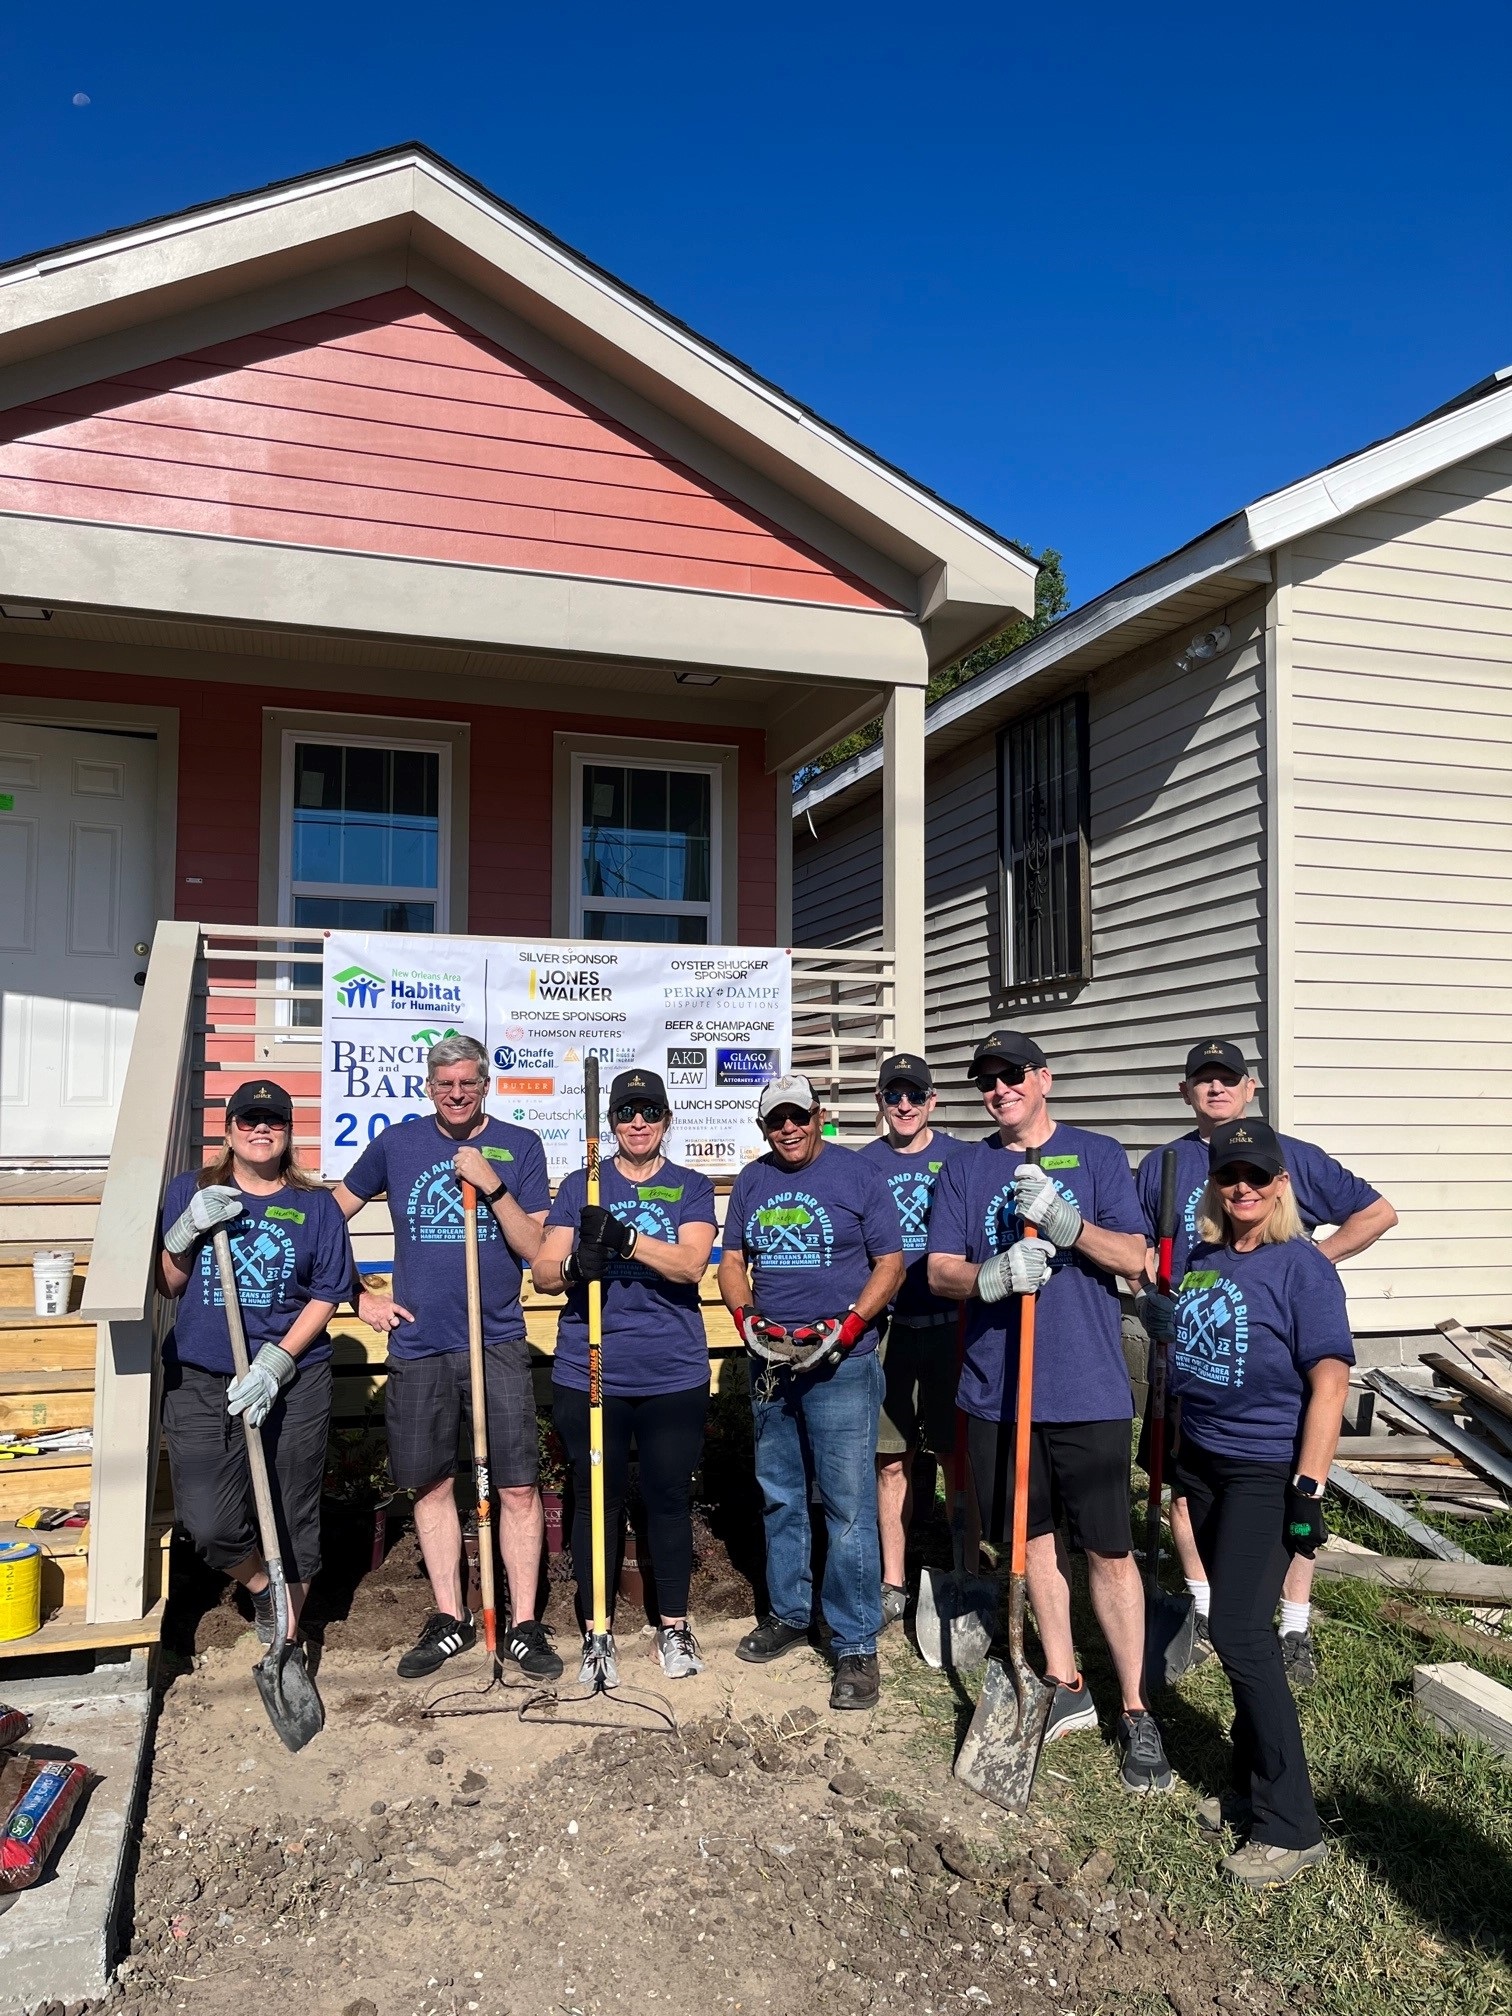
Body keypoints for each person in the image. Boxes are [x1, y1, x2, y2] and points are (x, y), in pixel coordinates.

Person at [928, 1030, 1174, 1793]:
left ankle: (1135, 1708)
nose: (999, 1090)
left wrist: (1071, 1228)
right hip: (999, 1391)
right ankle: (1065, 1681)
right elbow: (939, 1272)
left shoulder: (1097, 1155)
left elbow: (1138, 1258)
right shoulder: (965, 1169)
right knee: (1031, 1543)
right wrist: (992, 1275)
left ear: (1045, 1079)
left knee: (1107, 1549)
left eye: (1012, 1076)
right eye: (986, 1081)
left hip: (1086, 1386)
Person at [1136, 1039, 1396, 1682]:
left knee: (1288, 1484)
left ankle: (1294, 1621)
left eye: (1227, 1080)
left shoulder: (1291, 1158)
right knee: (1182, 1483)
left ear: (1250, 1086)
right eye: (1204, 1080)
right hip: (1191, 1350)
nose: (1215, 1090)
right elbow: (1145, 1246)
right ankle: (1201, 1606)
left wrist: (1305, 1265)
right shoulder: (1164, 1164)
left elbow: (1377, 1212)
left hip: (1278, 1360)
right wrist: (1153, 1295)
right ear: (1186, 1091)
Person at [1146, 1118, 1352, 1888]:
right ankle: (1251, 1787)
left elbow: (1330, 1380)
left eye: (1256, 1178)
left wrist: (1309, 1487)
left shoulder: (1303, 1268)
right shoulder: (1200, 1256)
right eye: (1229, 1176)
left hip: (1265, 1470)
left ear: (1280, 1185)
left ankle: (1293, 1823)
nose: (1242, 1189)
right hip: (1201, 1460)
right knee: (1237, 1629)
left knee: (1238, 1631)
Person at [334, 1034, 557, 1681]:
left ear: (485, 1085)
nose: (456, 1093)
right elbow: (326, 1216)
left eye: (468, 1083)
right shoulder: (397, 1145)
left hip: (496, 1340)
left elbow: (538, 1245)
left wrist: (492, 1186)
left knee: (517, 1486)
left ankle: (521, 1626)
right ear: (428, 1086)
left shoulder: (518, 1146)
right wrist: (354, 1295)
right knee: (430, 1483)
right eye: (444, 1083)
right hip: (419, 1345)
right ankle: (450, 1619)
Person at [718, 1073, 905, 1710]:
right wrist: (746, 1322)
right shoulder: (753, 1180)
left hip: (841, 1362)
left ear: (818, 1117)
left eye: (798, 1117)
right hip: (772, 1357)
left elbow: (891, 1262)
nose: (789, 1130)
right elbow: (733, 1259)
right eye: (776, 1122)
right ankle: (790, 1614)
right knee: (780, 1492)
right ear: (763, 1128)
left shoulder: (856, 1175)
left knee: (848, 1504)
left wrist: (851, 1326)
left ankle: (854, 1643)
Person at [532, 1068, 716, 1684]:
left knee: (667, 1497)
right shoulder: (582, 1186)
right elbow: (543, 1275)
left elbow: (691, 1265)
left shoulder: (689, 1186)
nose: (638, 1122)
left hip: (671, 1371)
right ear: (610, 1122)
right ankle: (597, 1633)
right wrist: (574, 1265)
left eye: (650, 1111)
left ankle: (674, 1627)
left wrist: (626, 1239)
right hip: (592, 1370)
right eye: (626, 1112)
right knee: (595, 1503)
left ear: (666, 1120)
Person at [157, 1080, 351, 1645]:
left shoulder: (316, 1206)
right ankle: (263, 1586)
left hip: (294, 1376)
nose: (260, 1129)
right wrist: (186, 1228)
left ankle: (286, 1638)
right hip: (200, 1374)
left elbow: (327, 1294)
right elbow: (169, 1285)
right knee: (207, 1521)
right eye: (248, 1120)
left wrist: (278, 1362)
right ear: (228, 1129)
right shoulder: (190, 1190)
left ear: (289, 1132)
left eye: (273, 1121)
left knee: (293, 1508)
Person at [860, 1053, 971, 1626]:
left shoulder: (961, 1160)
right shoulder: (862, 1166)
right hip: (889, 1331)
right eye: (893, 1096)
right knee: (891, 1460)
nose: (903, 1105)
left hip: (953, 1329)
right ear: (881, 1103)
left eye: (914, 1095)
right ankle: (894, 1580)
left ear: (932, 1101)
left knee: (955, 1455)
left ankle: (963, 1569)